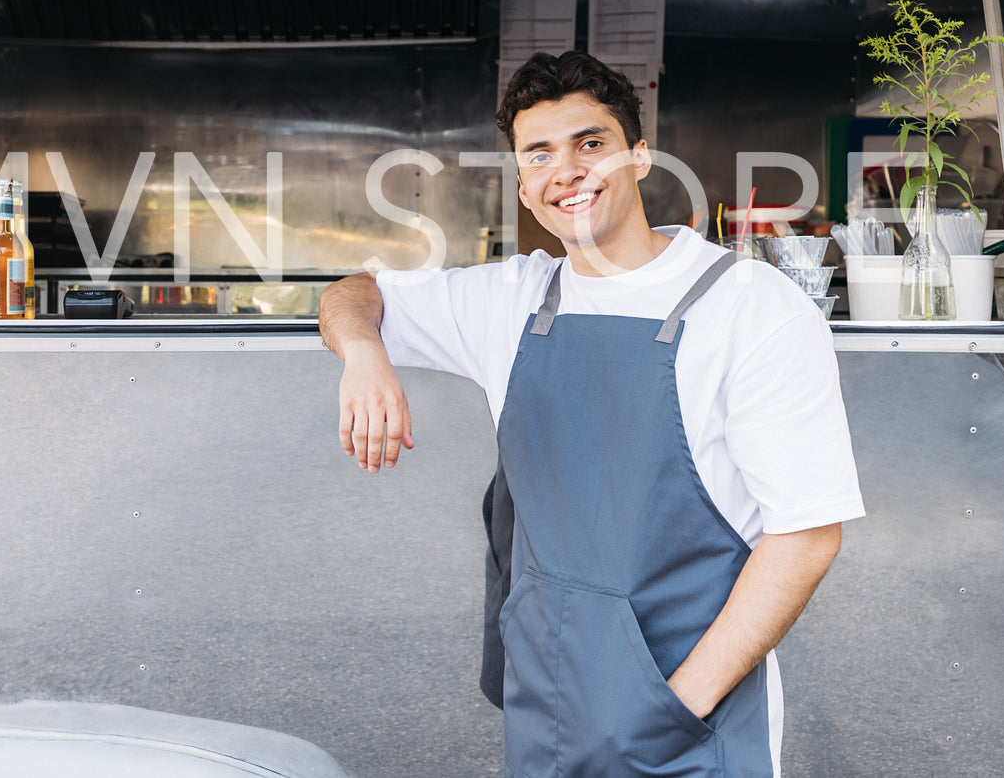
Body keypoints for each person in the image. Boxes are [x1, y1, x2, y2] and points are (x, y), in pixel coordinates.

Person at [318, 50, 864, 778]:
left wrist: (671, 709)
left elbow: (805, 537)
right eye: (538, 154)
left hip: (685, 722)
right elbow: (352, 292)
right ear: (522, 180)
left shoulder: (750, 308)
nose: (565, 171)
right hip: (548, 708)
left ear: (639, 155)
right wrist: (363, 355)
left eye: (590, 143)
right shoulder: (512, 299)